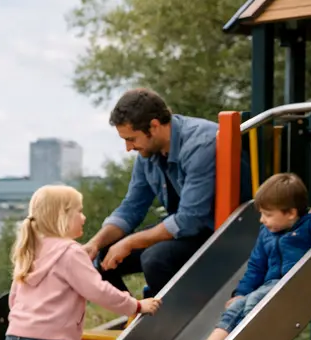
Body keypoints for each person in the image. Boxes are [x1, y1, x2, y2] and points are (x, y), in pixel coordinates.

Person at [0, 185, 162, 340]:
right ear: (62, 216)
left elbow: (14, 299)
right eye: (79, 211)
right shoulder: (70, 252)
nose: (84, 217)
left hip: (15, 337)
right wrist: (135, 305)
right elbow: (98, 290)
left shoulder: (30, 250)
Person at [163, 173, 311, 340]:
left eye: (268, 214)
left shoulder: (309, 224)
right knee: (239, 303)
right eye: (261, 214)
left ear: (290, 213)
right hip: (270, 285)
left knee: (255, 300)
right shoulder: (267, 234)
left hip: (293, 285)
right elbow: (256, 267)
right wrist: (240, 292)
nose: (262, 220)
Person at [84, 88, 220, 295]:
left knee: (155, 259)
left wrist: (130, 242)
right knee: (102, 257)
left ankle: (175, 323)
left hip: (216, 229)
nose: (128, 148)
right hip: (185, 228)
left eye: (131, 139)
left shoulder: (200, 143)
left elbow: (190, 220)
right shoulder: (147, 155)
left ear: (154, 126)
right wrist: (94, 243)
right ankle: (131, 313)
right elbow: (130, 209)